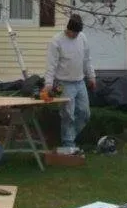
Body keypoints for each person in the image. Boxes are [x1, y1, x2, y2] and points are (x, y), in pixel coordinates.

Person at [41, 13, 96, 155]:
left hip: (80, 81)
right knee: (68, 115)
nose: (76, 35)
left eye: (78, 33)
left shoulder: (82, 38)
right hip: (63, 83)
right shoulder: (56, 41)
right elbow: (51, 65)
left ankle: (70, 138)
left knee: (84, 113)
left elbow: (87, 59)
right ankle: (68, 145)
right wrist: (48, 84)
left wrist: (91, 76)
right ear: (68, 29)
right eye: (74, 33)